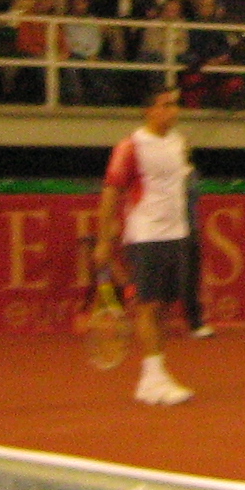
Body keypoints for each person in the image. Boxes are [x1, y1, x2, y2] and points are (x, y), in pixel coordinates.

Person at [94, 87, 197, 404]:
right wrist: (104, 240)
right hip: (145, 236)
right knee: (148, 306)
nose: (173, 111)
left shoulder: (180, 143)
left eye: (175, 105)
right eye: (165, 105)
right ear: (149, 111)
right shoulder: (130, 146)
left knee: (164, 308)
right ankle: (153, 379)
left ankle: (154, 377)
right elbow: (111, 193)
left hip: (176, 235)